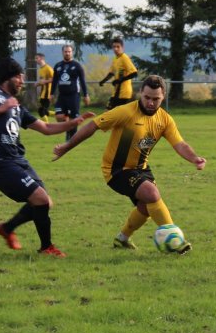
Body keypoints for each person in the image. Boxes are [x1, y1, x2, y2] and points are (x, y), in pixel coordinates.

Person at [52, 74, 206, 253]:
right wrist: (67, 146)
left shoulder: (165, 120)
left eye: (155, 99)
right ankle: (175, 240)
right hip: (116, 170)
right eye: (147, 97)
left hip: (141, 168)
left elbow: (180, 144)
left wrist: (194, 158)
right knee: (151, 194)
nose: (150, 102)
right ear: (140, 93)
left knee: (146, 207)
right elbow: (93, 125)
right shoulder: (125, 112)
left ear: (163, 96)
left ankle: (122, 239)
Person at [0, 58, 94, 257]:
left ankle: (7, 228)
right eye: (19, 77)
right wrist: (1, 109)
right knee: (39, 198)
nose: (22, 82)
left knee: (45, 202)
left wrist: (74, 122)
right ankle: (46, 247)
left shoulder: (16, 105)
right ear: (8, 77)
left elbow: (46, 128)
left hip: (18, 160)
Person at [52, 44, 90, 141]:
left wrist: (86, 95)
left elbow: (82, 81)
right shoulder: (58, 66)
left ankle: (72, 138)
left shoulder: (77, 66)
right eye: (65, 51)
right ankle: (68, 127)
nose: (67, 53)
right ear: (62, 52)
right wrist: (51, 94)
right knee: (59, 116)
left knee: (74, 119)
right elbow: (54, 81)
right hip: (62, 96)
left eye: (69, 51)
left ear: (72, 52)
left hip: (73, 96)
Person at [97, 36, 138, 110]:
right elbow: (111, 73)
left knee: (113, 113)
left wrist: (119, 80)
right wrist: (103, 81)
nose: (116, 49)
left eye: (118, 47)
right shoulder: (115, 59)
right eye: (114, 47)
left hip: (124, 93)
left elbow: (134, 73)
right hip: (117, 92)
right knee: (109, 111)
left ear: (122, 47)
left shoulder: (124, 58)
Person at [35, 52, 54, 120]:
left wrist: (45, 81)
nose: (35, 60)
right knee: (44, 111)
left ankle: (46, 124)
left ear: (42, 58)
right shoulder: (40, 69)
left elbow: (54, 79)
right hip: (42, 93)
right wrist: (38, 84)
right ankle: (60, 115)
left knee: (41, 111)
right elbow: (42, 81)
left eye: (37, 58)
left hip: (47, 93)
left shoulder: (48, 68)